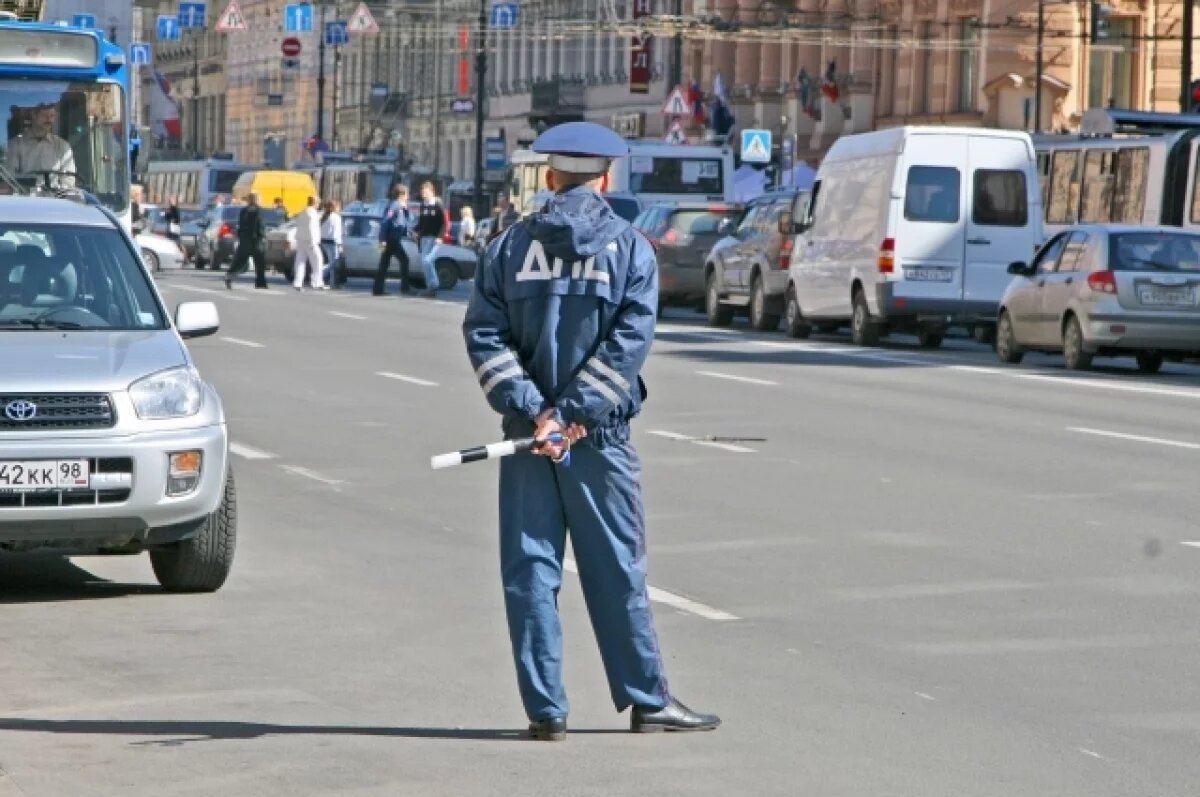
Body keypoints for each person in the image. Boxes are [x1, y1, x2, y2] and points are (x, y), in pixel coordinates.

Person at [461, 121, 720, 742]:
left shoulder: (507, 246)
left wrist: (536, 412)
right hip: (596, 438)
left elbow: (484, 334)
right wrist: (573, 417)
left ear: (549, 178)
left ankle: (545, 711)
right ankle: (645, 700)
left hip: (527, 439)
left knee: (530, 570)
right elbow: (629, 344)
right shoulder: (632, 249)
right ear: (606, 178)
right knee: (616, 569)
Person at [6, 103, 75, 189]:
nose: (49, 119)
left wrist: (60, 191)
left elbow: (69, 179)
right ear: (33, 115)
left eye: (52, 115)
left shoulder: (63, 146)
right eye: (45, 115)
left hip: (55, 198)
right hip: (24, 198)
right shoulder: (15, 144)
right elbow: (10, 177)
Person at [374, 185, 414, 296]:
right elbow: (385, 222)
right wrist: (382, 240)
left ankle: (378, 289)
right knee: (404, 260)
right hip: (390, 239)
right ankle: (405, 288)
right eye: (407, 194)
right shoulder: (394, 206)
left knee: (383, 263)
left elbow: (406, 222)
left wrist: (406, 210)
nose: (408, 197)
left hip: (390, 239)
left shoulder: (400, 207)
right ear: (401, 195)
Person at [225, 192, 269, 289]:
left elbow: (240, 224)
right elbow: (260, 224)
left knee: (240, 260)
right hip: (256, 239)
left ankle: (230, 275)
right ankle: (260, 283)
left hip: (245, 238)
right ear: (257, 199)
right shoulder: (259, 210)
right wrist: (263, 235)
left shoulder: (244, 210)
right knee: (260, 262)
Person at [415, 181, 445, 298]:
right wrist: (416, 231)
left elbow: (445, 222)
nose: (424, 194)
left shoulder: (438, 204)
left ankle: (434, 285)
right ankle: (430, 288)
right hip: (424, 238)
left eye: (426, 192)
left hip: (434, 238)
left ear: (432, 192)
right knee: (426, 262)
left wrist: (440, 237)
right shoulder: (424, 205)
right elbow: (422, 222)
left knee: (427, 260)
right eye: (422, 192)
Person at [292, 195, 326, 291]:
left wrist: (322, 213)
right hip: (310, 240)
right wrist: (312, 240)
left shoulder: (304, 211)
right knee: (318, 260)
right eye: (318, 203)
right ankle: (317, 282)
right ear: (315, 202)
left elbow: (305, 221)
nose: (318, 205)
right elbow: (311, 226)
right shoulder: (312, 213)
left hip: (301, 239)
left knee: (300, 262)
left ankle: (297, 282)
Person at [320, 199, 344, 288]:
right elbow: (337, 232)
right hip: (333, 241)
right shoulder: (336, 217)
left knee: (331, 262)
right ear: (335, 207)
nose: (339, 209)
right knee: (333, 263)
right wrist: (340, 244)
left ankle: (333, 282)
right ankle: (320, 273)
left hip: (324, 241)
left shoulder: (325, 216)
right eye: (338, 207)